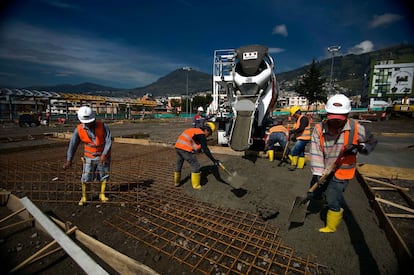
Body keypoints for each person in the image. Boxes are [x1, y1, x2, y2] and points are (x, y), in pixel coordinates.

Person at [309, 94, 377, 233]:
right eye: (332, 118)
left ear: (347, 115)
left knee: (333, 197)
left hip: (343, 170)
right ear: (327, 114)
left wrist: (361, 148)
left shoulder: (356, 128)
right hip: (326, 166)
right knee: (317, 189)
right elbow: (315, 151)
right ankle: (320, 204)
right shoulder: (319, 129)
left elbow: (372, 141)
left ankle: (331, 225)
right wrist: (317, 172)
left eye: (339, 119)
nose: (335, 122)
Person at [63, 106, 112, 206]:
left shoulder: (102, 126)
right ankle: (85, 197)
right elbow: (73, 145)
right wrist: (69, 160)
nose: (88, 124)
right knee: (86, 177)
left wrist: (104, 154)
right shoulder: (79, 129)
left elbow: (108, 141)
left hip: (102, 156)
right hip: (89, 157)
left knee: (104, 175)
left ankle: (102, 194)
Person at [174, 122, 220, 189]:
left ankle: (176, 182)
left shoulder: (195, 130)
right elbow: (206, 149)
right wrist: (214, 160)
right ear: (207, 130)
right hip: (185, 149)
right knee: (195, 165)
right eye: (209, 134)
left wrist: (198, 149)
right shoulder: (201, 134)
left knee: (179, 164)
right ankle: (196, 186)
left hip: (178, 147)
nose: (208, 136)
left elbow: (193, 141)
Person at [288, 106, 311, 170]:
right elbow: (298, 129)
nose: (293, 117)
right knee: (301, 152)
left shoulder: (303, 118)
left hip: (303, 138)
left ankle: (293, 165)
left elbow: (301, 128)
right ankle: (300, 166)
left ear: (296, 113)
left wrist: (293, 131)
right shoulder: (298, 119)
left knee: (294, 151)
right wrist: (294, 136)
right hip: (301, 138)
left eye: (294, 115)